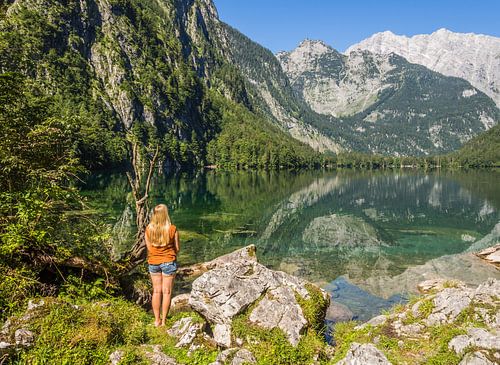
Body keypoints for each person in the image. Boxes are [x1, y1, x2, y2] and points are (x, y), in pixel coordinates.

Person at [145, 204, 180, 327]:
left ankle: (156, 320)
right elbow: (177, 248)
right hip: (168, 262)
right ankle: (164, 321)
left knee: (156, 291)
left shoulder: (148, 229)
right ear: (166, 214)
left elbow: (149, 248)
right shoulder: (172, 229)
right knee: (167, 292)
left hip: (153, 262)